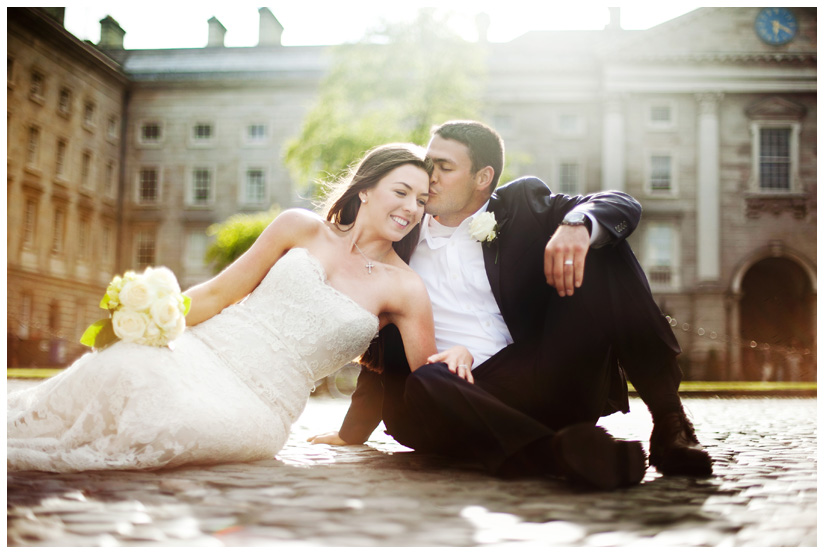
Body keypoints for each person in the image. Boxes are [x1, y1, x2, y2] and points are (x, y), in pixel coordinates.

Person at [311, 121, 713, 488]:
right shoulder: (401, 230)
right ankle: (559, 452)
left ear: (482, 178)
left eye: (444, 167)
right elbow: (382, 336)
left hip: (541, 376)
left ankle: (670, 423)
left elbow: (620, 203)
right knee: (429, 379)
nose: (428, 177)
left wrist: (578, 227)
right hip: (444, 400)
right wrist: (353, 433)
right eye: (427, 162)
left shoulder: (524, 206)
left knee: (602, 246)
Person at [7, 143, 445, 472]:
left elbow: (428, 380)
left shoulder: (406, 288)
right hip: (205, 351)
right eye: (401, 192)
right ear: (365, 190)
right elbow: (219, 294)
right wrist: (147, 320)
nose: (411, 208)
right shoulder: (299, 227)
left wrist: (457, 358)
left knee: (174, 422)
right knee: (126, 365)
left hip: (262, 404)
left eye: (421, 201)